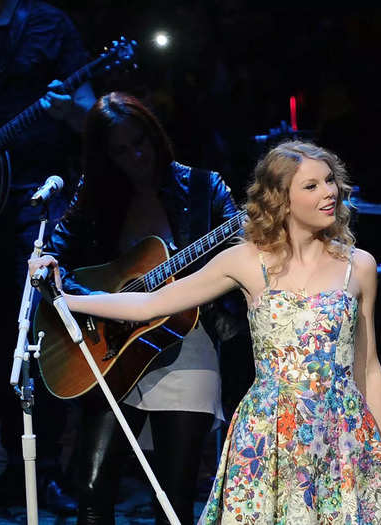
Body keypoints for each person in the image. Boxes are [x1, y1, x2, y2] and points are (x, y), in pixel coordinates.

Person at [30, 140, 381, 524]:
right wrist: (66, 298)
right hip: (270, 437)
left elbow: (368, 369)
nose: (329, 192)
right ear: (282, 199)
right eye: (312, 186)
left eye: (330, 181)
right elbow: (149, 304)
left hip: (343, 438)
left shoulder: (358, 266)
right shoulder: (245, 262)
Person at [41, 92, 238, 525]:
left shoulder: (206, 188)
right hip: (111, 354)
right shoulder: (93, 199)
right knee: (91, 492)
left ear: (155, 136)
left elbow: (242, 254)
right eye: (120, 150)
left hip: (186, 344)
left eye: (141, 142)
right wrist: (98, 304)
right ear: (104, 155)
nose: (136, 155)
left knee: (172, 501)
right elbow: (54, 265)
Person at [0, 0, 95, 512]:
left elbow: (92, 114)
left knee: (38, 328)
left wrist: (66, 109)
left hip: (34, 199)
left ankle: (46, 467)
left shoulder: (48, 25)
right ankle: (13, 463)